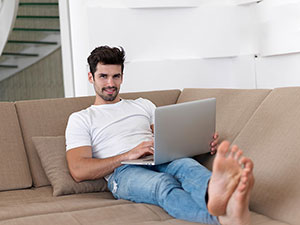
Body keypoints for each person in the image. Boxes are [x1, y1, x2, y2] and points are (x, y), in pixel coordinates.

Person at [65, 46, 254, 225]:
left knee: (186, 165)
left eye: (116, 76)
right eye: (103, 76)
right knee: (163, 184)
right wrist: (126, 156)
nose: (110, 83)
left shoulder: (143, 105)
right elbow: (79, 170)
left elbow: (169, 139)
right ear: (91, 77)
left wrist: (198, 143)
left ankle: (218, 197)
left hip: (157, 157)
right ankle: (223, 218)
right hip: (122, 172)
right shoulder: (81, 118)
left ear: (122, 77)